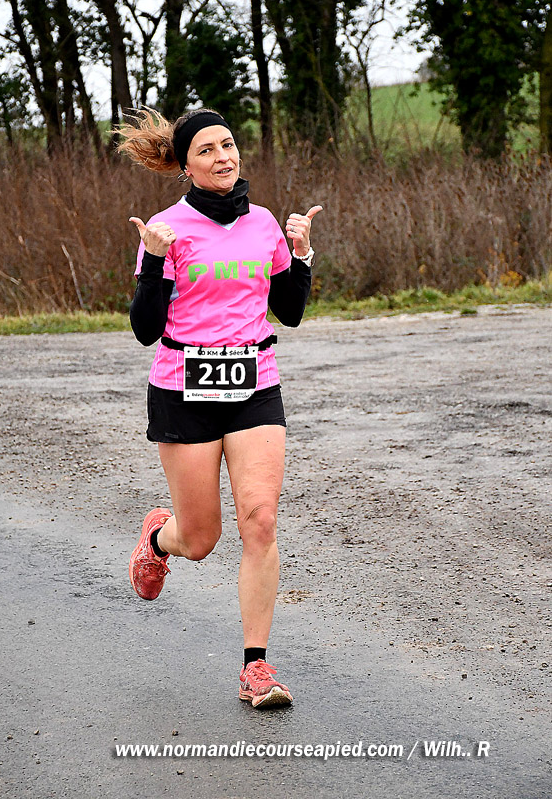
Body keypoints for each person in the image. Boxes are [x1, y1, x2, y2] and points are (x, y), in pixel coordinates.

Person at [119, 107, 321, 709]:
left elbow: (290, 312)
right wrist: (154, 263)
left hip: (255, 383)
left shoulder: (263, 224)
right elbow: (145, 330)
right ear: (185, 166)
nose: (222, 157)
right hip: (184, 389)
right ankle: (160, 540)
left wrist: (301, 255)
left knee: (260, 522)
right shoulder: (165, 229)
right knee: (202, 538)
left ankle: (256, 666)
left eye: (227, 144)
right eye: (206, 150)